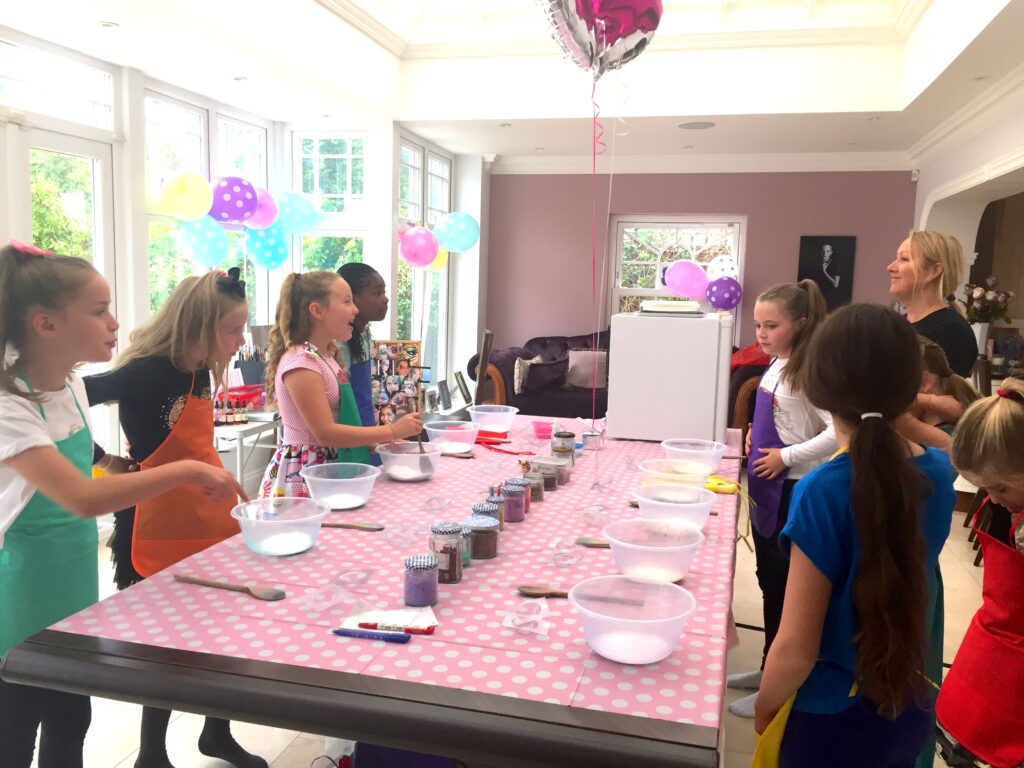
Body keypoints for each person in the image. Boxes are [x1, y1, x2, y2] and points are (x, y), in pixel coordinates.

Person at [0, 243, 243, 768]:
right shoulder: (8, 405)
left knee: (71, 721)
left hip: (71, 586)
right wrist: (187, 471)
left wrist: (110, 460)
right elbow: (80, 498)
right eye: (98, 310)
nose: (115, 322)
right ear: (45, 324)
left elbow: (71, 443)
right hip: (20, 594)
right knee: (14, 730)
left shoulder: (66, 385)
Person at [754, 303, 955, 768]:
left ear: (817, 388)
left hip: (831, 721)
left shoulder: (820, 490)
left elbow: (796, 648)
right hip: (907, 704)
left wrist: (765, 708)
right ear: (913, 386)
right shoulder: (940, 472)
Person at [85, 267, 268, 768]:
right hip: (155, 522)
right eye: (233, 330)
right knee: (164, 646)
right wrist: (103, 459)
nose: (240, 341)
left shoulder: (199, 369)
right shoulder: (147, 371)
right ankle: (150, 753)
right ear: (199, 325)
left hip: (207, 515)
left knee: (219, 633)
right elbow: (65, 402)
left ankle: (216, 734)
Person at [729, 279, 837, 718]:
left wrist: (786, 456)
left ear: (802, 323)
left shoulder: (811, 371)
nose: (761, 333)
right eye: (758, 325)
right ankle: (766, 666)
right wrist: (755, 434)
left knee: (785, 588)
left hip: (791, 489)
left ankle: (780, 684)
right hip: (765, 487)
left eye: (771, 326)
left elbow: (837, 433)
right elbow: (779, 416)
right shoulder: (777, 363)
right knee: (767, 580)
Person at [258, 271, 421, 498]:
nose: (355, 310)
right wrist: (391, 430)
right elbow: (325, 433)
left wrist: (380, 443)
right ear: (317, 311)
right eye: (346, 302)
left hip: (330, 467)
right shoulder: (301, 363)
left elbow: (339, 421)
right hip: (305, 475)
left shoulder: (325, 356)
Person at [936, 381, 1024, 768]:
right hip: (995, 648)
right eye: (984, 489)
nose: (994, 498)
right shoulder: (1008, 504)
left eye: (999, 487)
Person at [888, 231, 977, 377]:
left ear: (934, 271)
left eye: (904, 259)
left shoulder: (951, 332)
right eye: (895, 258)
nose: (890, 267)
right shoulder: (898, 325)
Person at [901, 337, 980, 452]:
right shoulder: (958, 426)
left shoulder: (939, 440)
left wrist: (928, 401)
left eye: (896, 388)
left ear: (923, 382)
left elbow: (888, 408)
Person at [336, 262, 388, 429]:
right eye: (377, 293)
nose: (385, 299)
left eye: (384, 292)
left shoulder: (364, 333)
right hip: (348, 433)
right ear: (353, 298)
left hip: (366, 429)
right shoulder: (338, 343)